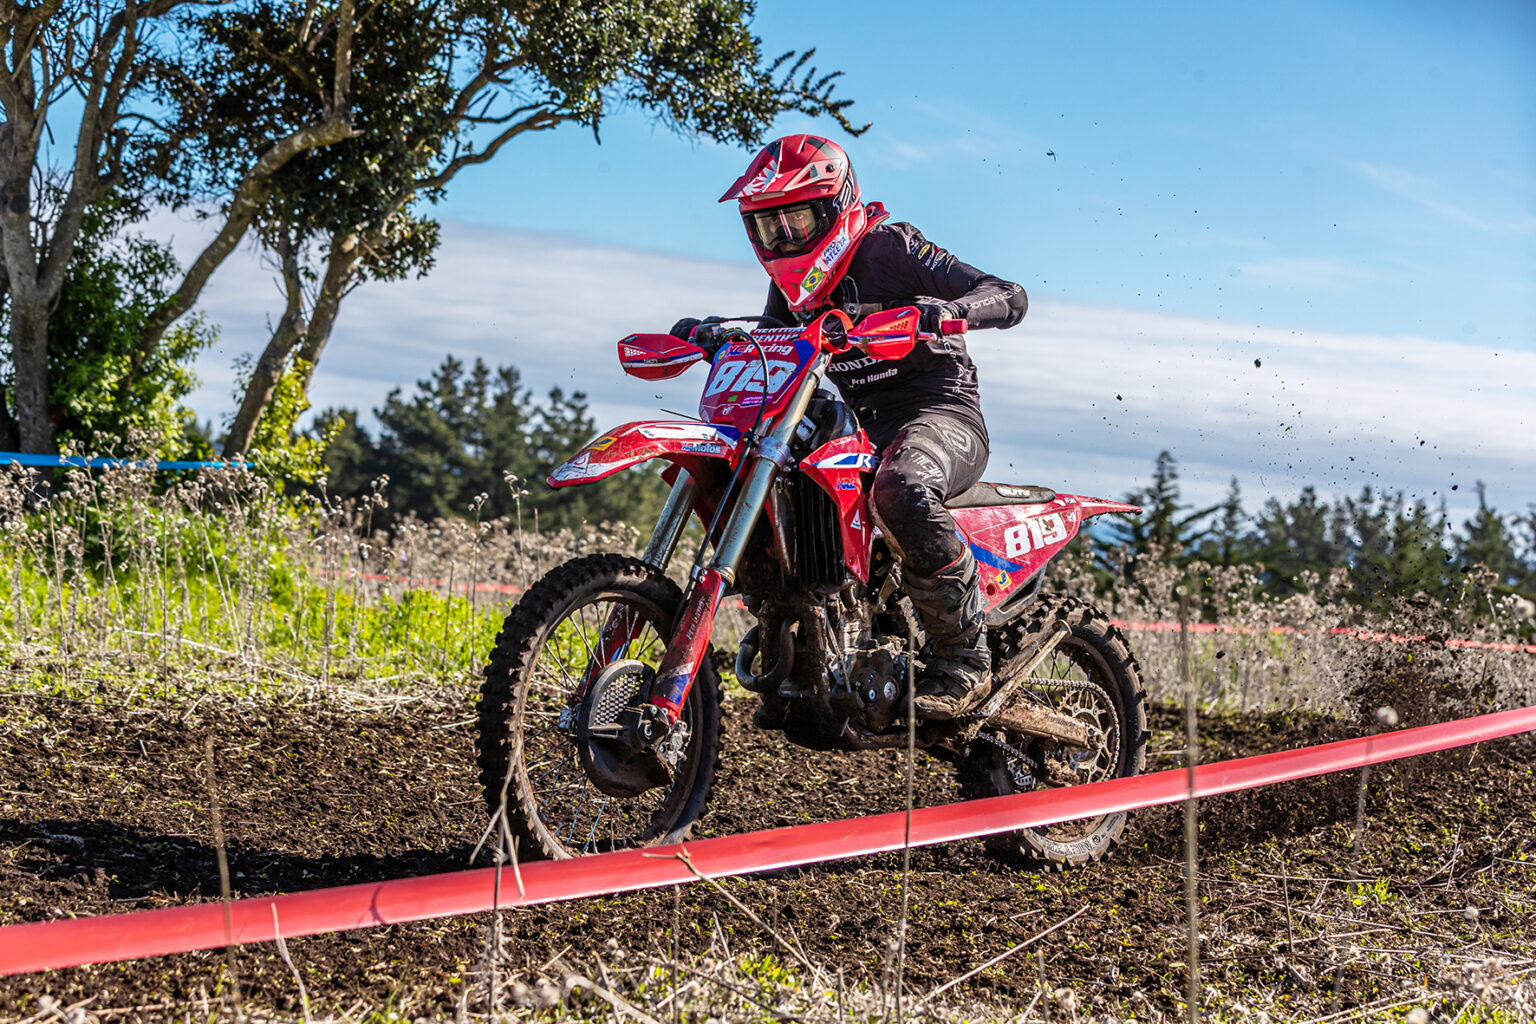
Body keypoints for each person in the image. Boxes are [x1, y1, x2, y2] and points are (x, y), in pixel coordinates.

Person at [671, 134, 1027, 720]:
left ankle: (965, 659)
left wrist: (950, 311)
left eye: (796, 220)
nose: (782, 240)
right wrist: (717, 337)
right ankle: (797, 640)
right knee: (772, 469)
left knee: (900, 487)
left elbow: (1009, 294)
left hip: (940, 414)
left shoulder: (888, 247)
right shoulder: (793, 287)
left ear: (836, 206)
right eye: (766, 227)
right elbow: (773, 349)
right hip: (861, 427)